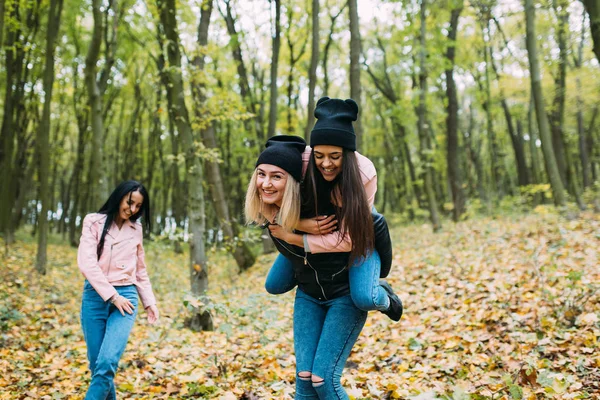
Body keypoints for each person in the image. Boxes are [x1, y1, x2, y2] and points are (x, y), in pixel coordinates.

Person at [245, 133, 395, 399]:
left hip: (343, 291)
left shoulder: (325, 207)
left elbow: (355, 236)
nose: (266, 183)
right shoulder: (272, 210)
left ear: (292, 181)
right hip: (309, 293)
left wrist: (298, 235)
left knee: (323, 380)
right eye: (261, 174)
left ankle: (381, 292)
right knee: (303, 379)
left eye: (276, 176)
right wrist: (295, 227)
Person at [266, 97, 402, 322]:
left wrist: (295, 238)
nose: (326, 163)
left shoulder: (364, 173)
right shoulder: (303, 160)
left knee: (365, 297)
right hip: (310, 232)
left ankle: (385, 296)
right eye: (319, 156)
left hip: (357, 232)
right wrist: (299, 224)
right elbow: (267, 198)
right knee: (274, 284)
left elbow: (348, 240)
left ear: (347, 154)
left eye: (335, 156)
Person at [77, 180, 159, 400]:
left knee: (106, 363)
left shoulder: (136, 229)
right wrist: (112, 296)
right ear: (119, 196)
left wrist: (149, 301)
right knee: (97, 366)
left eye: (138, 206)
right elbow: (87, 264)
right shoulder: (93, 222)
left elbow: (140, 269)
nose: (132, 209)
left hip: (127, 298)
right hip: (96, 296)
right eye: (129, 202)